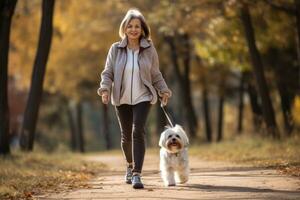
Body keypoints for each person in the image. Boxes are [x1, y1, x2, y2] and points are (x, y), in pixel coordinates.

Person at [97, 8, 172, 189]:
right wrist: (105, 89)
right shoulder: (115, 49)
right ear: (125, 28)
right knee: (126, 137)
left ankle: (137, 173)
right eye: (130, 26)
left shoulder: (149, 49)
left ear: (142, 28)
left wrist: (164, 90)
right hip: (121, 98)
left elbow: (155, 74)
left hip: (143, 97)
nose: (133, 29)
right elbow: (108, 73)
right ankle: (129, 166)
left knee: (137, 130)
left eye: (137, 26)